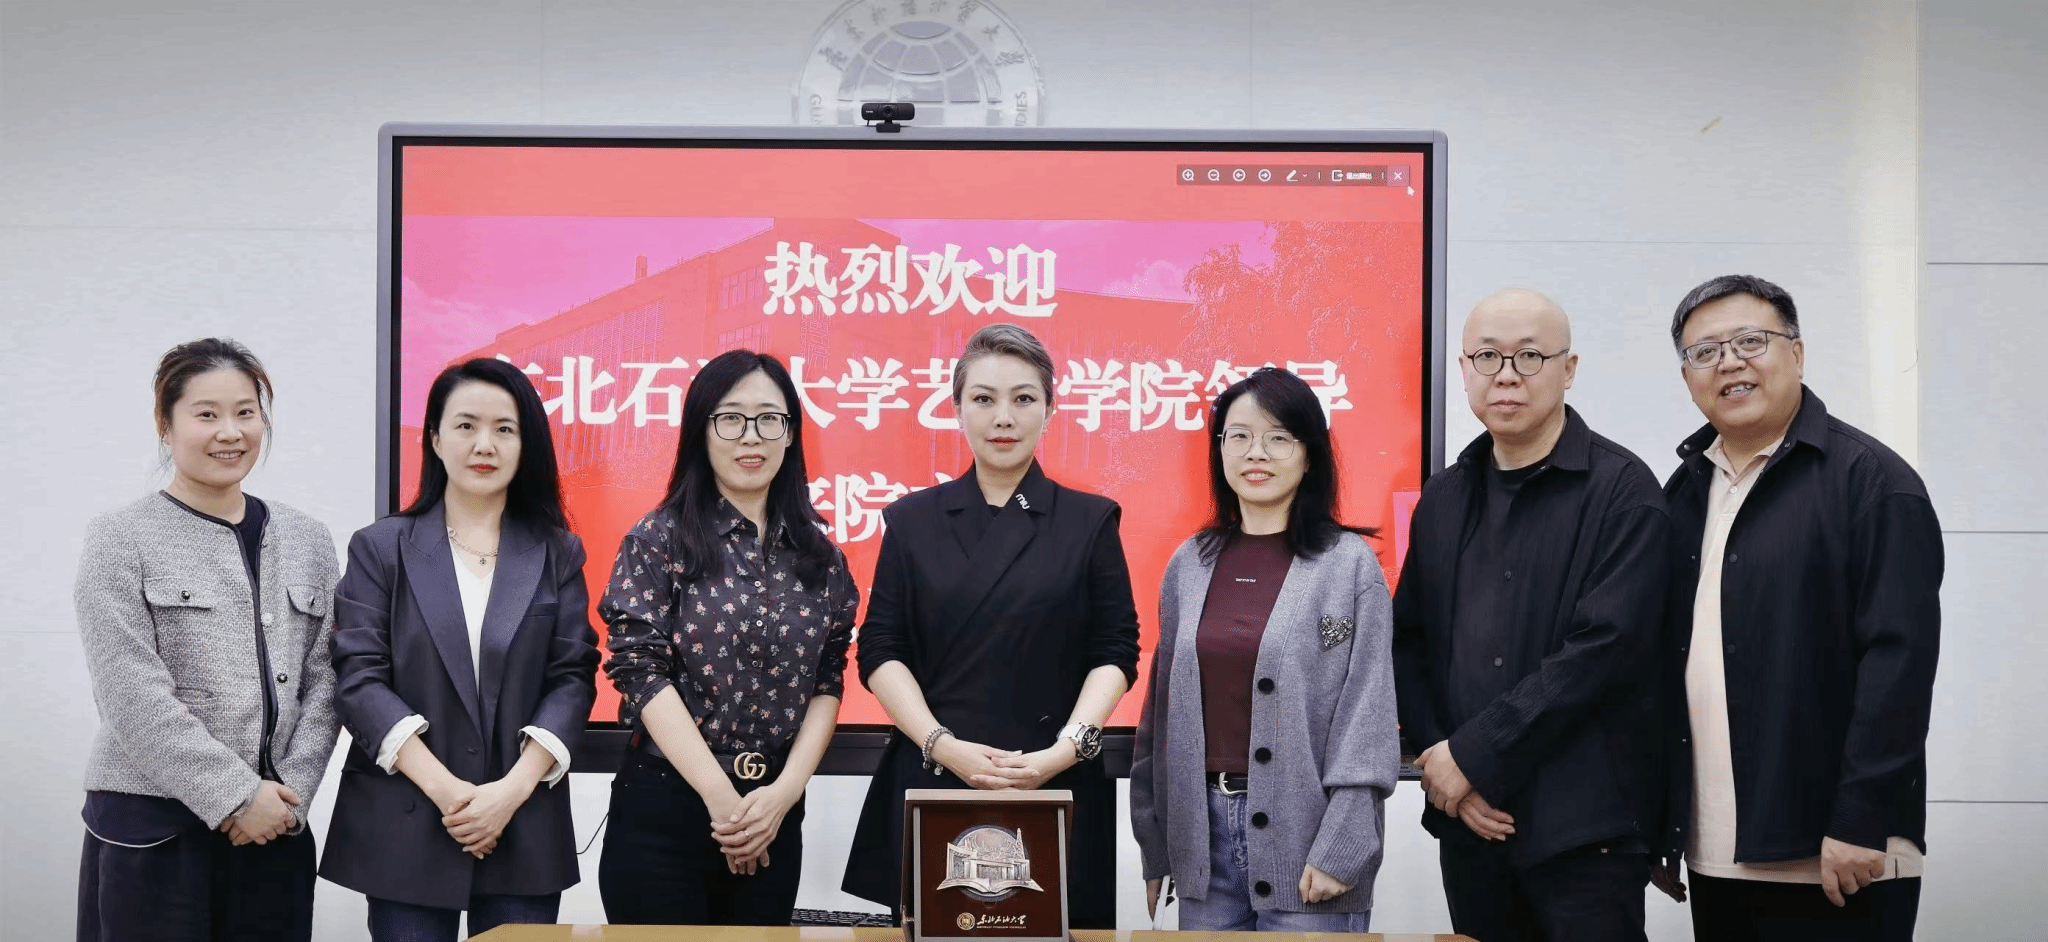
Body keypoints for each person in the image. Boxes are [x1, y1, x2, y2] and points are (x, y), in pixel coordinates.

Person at [1658, 274, 1940, 941]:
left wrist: (1860, 817)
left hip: (1838, 853)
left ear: (1798, 353)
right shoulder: (1684, 490)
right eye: (1705, 352)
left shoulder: (1872, 483)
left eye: (1750, 342)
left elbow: (1899, 667)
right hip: (1718, 850)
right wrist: (1664, 826)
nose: (1729, 362)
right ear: (1688, 377)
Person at [1391, 289, 1671, 942]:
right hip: (1470, 826)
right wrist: (1445, 764)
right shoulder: (1444, 496)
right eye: (1488, 356)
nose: (1507, 374)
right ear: (1464, 369)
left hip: (1585, 833)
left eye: (1529, 356)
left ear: (1568, 369)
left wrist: (1474, 755)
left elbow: (1603, 653)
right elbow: (1409, 641)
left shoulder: (1625, 493)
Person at [843, 323, 1142, 929]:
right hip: (935, 775)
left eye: (1023, 398)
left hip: (1053, 777)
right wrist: (941, 744)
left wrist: (1064, 751)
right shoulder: (912, 521)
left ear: (1050, 408)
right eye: (983, 398)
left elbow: (1115, 650)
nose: (1003, 416)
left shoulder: (1088, 521)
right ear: (956, 408)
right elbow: (879, 648)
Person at [323, 357, 599, 941]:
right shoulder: (382, 548)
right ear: (435, 438)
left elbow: (572, 677)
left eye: (505, 429)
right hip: (407, 820)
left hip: (522, 822)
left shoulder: (558, 552)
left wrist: (510, 793)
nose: (484, 444)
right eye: (466, 425)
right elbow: (359, 679)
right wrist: (450, 794)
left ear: (526, 444)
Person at [74, 338, 340, 942]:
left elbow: (327, 680)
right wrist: (237, 797)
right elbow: (131, 696)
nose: (230, 432)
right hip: (153, 828)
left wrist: (289, 798)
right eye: (206, 414)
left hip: (273, 830)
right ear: (165, 426)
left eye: (246, 412)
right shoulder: (120, 537)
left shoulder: (308, 538)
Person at [1129, 367, 1398, 932]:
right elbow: (1160, 716)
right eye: (1240, 436)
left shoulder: (1348, 566)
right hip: (1203, 849)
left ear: (1310, 454)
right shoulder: (1189, 564)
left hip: (1311, 845)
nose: (1257, 452)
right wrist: (1157, 844)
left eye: (1279, 437)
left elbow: (1367, 714)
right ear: (1219, 450)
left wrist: (1344, 844)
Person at [597, 350, 858, 926]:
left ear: (790, 433)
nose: (751, 436)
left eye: (769, 419)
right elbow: (640, 671)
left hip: (773, 813)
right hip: (666, 809)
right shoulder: (657, 540)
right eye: (731, 418)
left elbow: (828, 680)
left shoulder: (821, 558)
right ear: (702, 430)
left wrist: (784, 795)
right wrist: (722, 801)